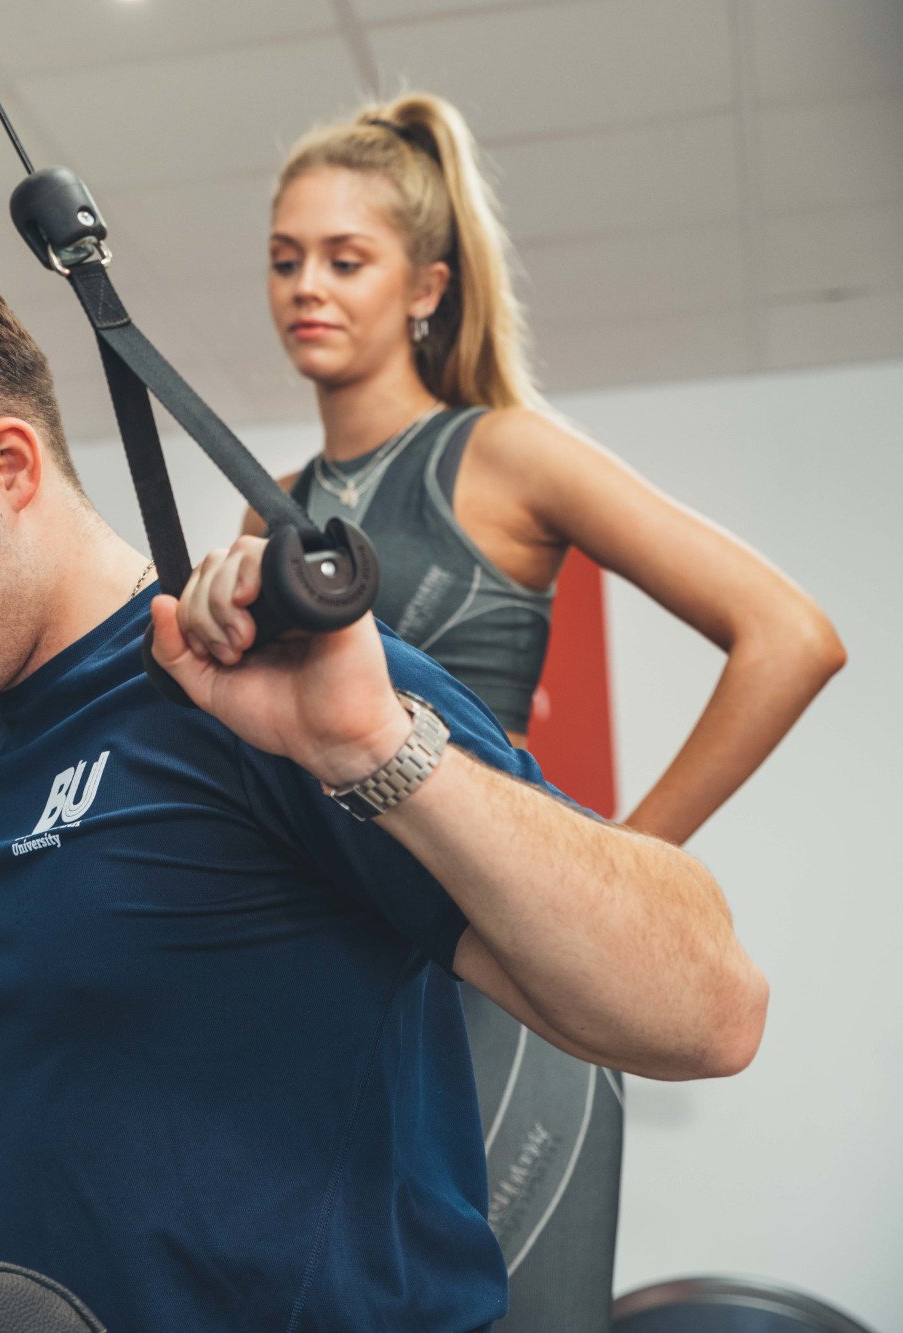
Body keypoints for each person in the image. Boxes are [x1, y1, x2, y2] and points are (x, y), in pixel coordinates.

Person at [0, 258, 768, 1331]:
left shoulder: (268, 681)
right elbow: (95, 998)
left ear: (8, 464)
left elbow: (710, 1012)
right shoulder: (5, 748)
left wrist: (369, 745)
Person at [255, 93, 845, 1325]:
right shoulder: (267, 511)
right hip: (342, 993)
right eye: (284, 258)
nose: (306, 285)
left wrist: (617, 867)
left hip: (507, 987)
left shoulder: (505, 456)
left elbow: (788, 638)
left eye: (343, 259)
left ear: (423, 287)